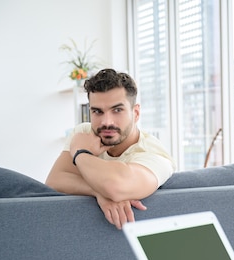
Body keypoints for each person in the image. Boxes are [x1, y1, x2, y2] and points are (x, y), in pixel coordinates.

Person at [46, 68, 175, 229]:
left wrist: (80, 153)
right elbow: (54, 181)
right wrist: (98, 192)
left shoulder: (155, 155)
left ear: (135, 113)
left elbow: (115, 187)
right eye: (97, 111)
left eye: (117, 110)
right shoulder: (84, 133)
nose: (106, 122)